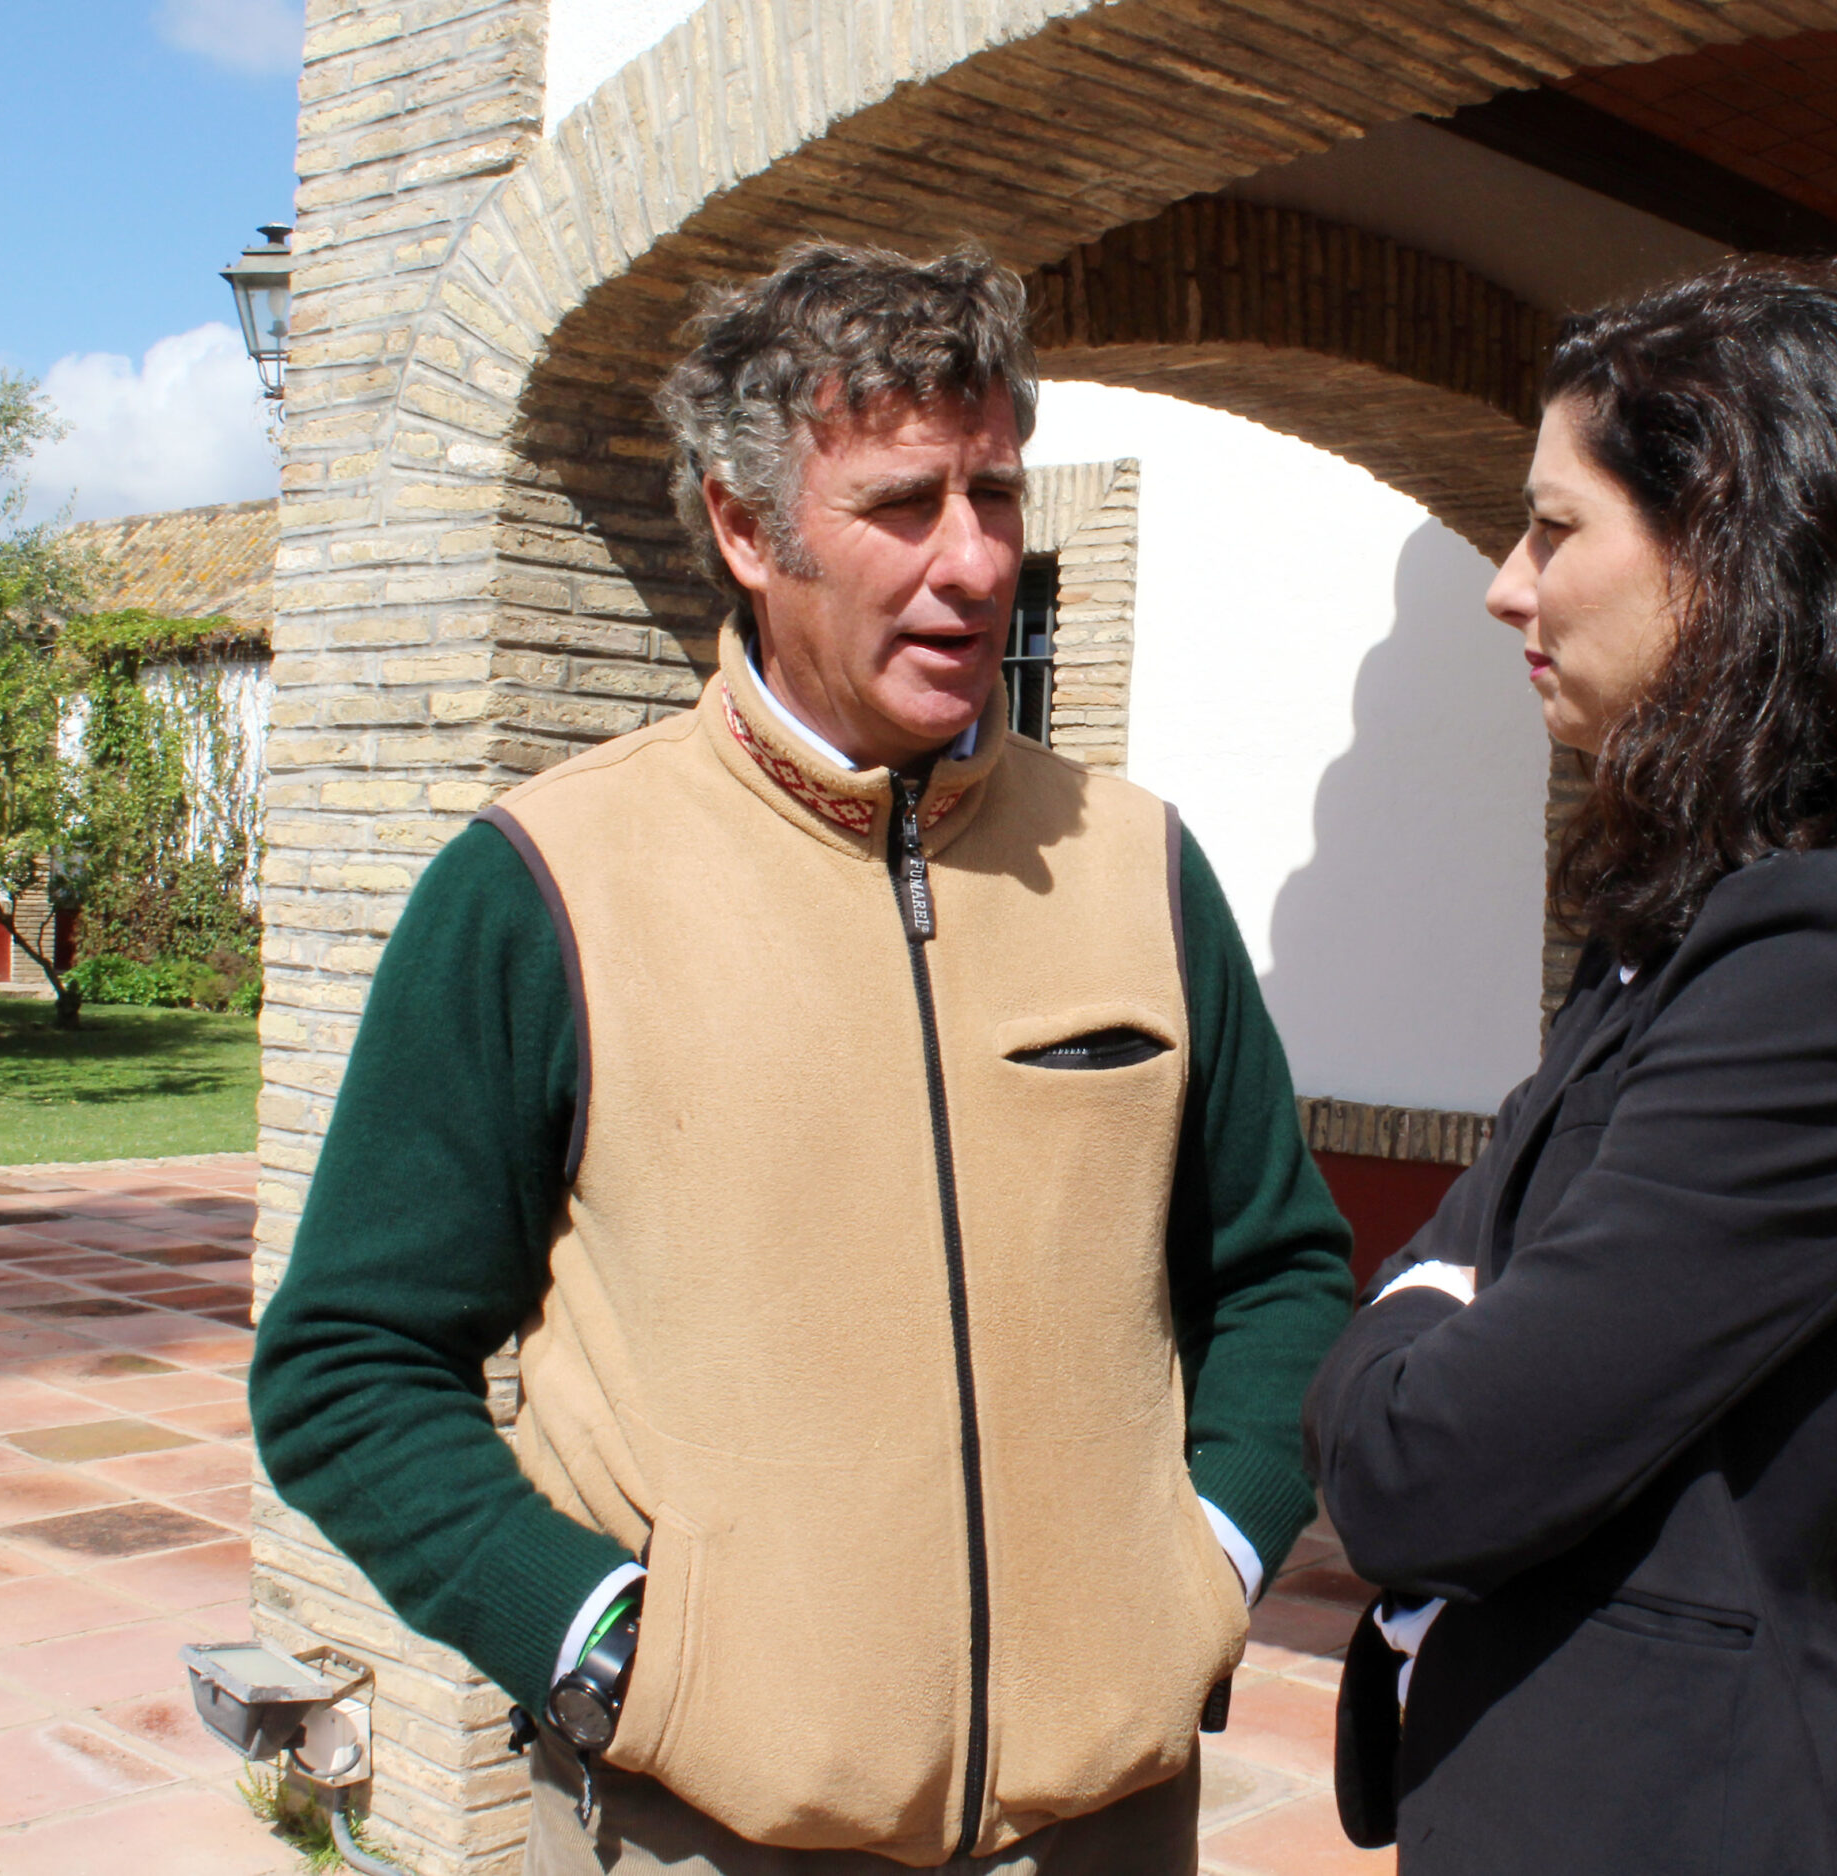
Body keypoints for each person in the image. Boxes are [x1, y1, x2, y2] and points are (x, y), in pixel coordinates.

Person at [249, 243, 1354, 1876]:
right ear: (746, 528)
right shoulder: (543, 886)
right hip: (711, 1829)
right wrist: (609, 1645)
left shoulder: (1140, 868)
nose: (977, 562)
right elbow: (342, 1365)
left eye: (995, 494)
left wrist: (1207, 1557)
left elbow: (1282, 1269)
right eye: (905, 506)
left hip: (1109, 1823)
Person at [1301, 265, 1837, 1874]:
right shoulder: (1694, 920)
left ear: (1740, 549)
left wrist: (1414, 1316)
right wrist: (1442, 1303)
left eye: (1556, 528)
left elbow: (1426, 1469)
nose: (1504, 584)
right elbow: (1464, 1279)